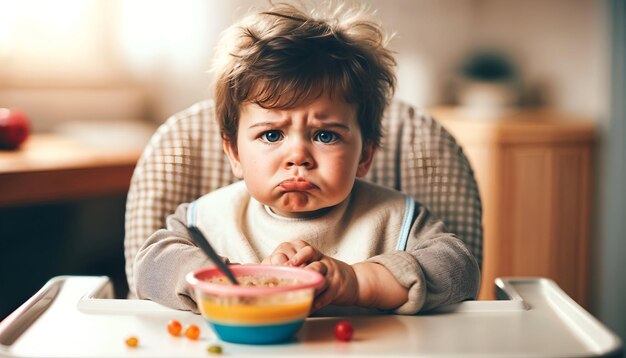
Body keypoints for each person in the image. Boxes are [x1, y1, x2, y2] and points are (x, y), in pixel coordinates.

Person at [134, 2, 480, 315]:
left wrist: (360, 282)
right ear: (235, 153)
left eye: (325, 135)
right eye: (272, 135)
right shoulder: (209, 220)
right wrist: (231, 281)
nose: (298, 156)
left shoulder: (394, 220)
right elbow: (149, 265)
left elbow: (459, 270)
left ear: (365, 155)